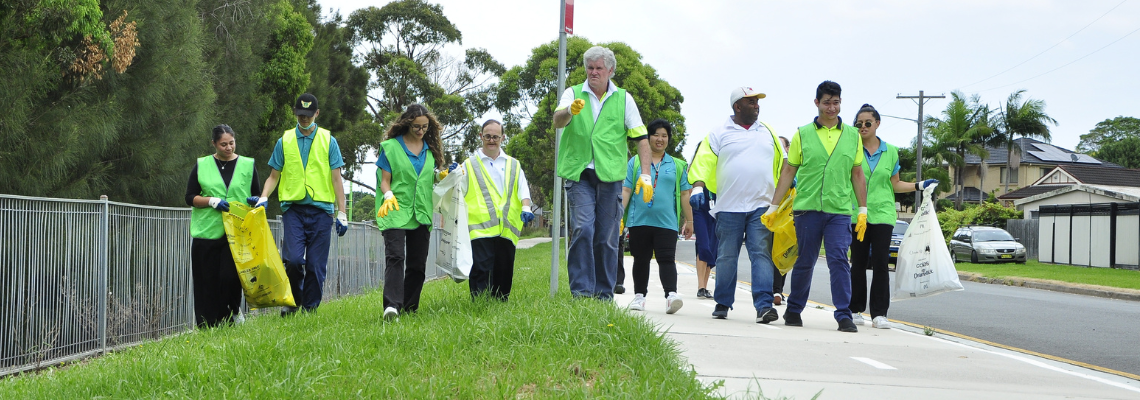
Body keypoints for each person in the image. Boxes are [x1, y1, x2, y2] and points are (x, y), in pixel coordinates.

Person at [552, 46, 654, 300]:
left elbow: (641, 138)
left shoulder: (624, 99)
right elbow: (557, 121)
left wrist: (645, 174)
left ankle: (603, 294)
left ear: (610, 70)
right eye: (590, 68)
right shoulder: (573, 93)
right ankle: (582, 293)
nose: (593, 72)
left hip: (611, 177)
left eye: (599, 68)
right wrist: (569, 112)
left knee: (607, 238)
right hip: (579, 173)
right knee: (583, 230)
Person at [765, 81, 868, 333]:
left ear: (840, 103)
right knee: (805, 261)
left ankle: (844, 314)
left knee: (839, 260)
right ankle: (794, 309)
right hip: (807, 208)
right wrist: (773, 206)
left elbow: (857, 173)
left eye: (836, 102)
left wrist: (863, 209)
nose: (831, 108)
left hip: (839, 210)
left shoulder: (853, 136)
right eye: (826, 103)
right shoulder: (802, 134)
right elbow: (789, 170)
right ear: (816, 103)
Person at [688, 87, 786, 323]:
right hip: (729, 205)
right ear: (737, 107)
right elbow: (703, 161)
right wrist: (698, 186)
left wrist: (783, 197)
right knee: (726, 256)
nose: (756, 105)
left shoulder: (768, 131)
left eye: (757, 102)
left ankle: (763, 306)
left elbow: (784, 163)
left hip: (762, 205)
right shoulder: (719, 132)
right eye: (751, 102)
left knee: (761, 253)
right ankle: (723, 302)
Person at [252, 94, 349, 316]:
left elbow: (336, 179)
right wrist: (264, 196)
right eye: (300, 115)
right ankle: (293, 302)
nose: (304, 119)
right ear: (295, 113)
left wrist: (342, 213)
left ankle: (310, 309)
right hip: (293, 210)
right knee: (294, 260)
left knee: (315, 266)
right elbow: (274, 176)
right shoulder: (284, 140)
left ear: (317, 113)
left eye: (308, 115)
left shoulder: (328, 140)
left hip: (322, 212)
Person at [848, 104, 938, 328]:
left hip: (883, 214)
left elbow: (895, 184)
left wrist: (919, 185)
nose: (863, 127)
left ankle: (879, 314)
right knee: (857, 263)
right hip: (856, 213)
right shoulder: (850, 148)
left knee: (880, 264)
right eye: (859, 124)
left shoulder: (891, 151)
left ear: (877, 123)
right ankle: (855, 309)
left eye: (868, 123)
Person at [374, 104, 446, 320]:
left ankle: (409, 308)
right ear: (407, 124)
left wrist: (440, 177)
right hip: (395, 208)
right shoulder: (390, 147)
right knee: (395, 257)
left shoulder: (430, 150)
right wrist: (387, 195)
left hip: (421, 212)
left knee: (417, 264)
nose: (421, 130)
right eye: (416, 126)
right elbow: (384, 181)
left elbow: (426, 177)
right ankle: (392, 307)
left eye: (424, 126)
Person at [186, 124, 260, 327]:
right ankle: (207, 325)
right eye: (223, 144)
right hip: (207, 232)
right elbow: (190, 197)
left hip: (237, 231)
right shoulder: (202, 165)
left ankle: (233, 312)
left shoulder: (247, 164)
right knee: (206, 281)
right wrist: (211, 201)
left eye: (232, 143)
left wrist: (256, 200)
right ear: (214, 144)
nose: (229, 148)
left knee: (229, 277)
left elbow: (257, 194)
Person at [620, 119, 693, 314]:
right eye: (656, 135)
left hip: (666, 222)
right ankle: (639, 297)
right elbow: (626, 189)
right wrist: (619, 215)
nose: (660, 139)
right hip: (639, 220)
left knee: (667, 258)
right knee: (640, 259)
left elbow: (685, 194)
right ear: (648, 137)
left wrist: (690, 220)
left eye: (664, 136)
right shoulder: (635, 162)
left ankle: (671, 296)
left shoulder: (677, 165)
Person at [458, 119, 535, 301]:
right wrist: (451, 176)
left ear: (503, 138)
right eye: (487, 136)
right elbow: (456, 192)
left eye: (495, 137)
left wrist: (526, 206)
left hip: (507, 225)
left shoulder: (513, 164)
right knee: (481, 267)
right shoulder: (469, 165)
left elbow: (522, 187)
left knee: (504, 267)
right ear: (481, 137)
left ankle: (501, 303)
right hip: (480, 226)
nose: (491, 140)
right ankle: (480, 304)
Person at [689, 147, 717, 300]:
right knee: (703, 245)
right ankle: (700, 286)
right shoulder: (695, 169)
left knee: (713, 248)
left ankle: (705, 286)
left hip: (717, 208)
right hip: (700, 209)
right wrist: (689, 220)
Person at [771, 136, 791, 306]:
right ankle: (771, 289)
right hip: (769, 214)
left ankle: (778, 290)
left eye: (781, 146)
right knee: (768, 252)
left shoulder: (794, 168)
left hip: (787, 217)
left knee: (783, 253)